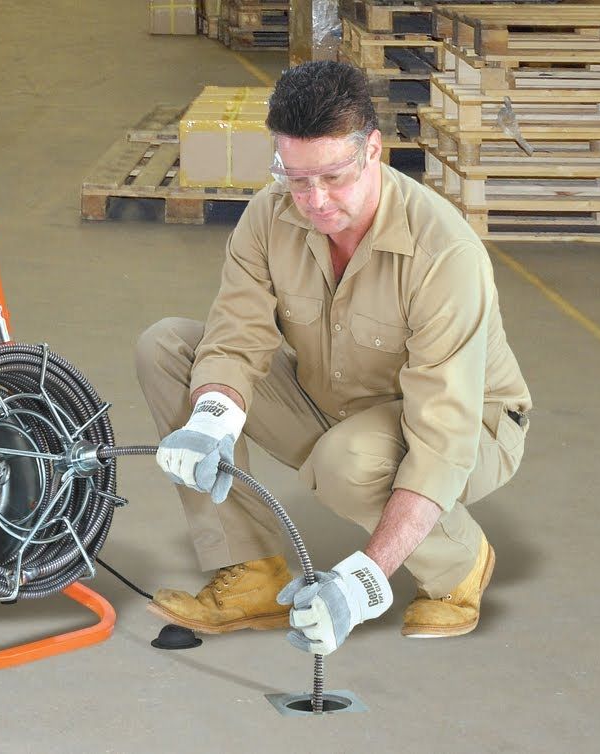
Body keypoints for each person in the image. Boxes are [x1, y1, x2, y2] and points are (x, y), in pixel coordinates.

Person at [134, 60, 531, 655]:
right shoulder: (271, 217)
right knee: (169, 347)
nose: (314, 201)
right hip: (334, 402)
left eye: (333, 178)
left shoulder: (443, 253)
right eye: (295, 178)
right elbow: (235, 337)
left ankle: (459, 565)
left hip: (469, 426)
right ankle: (252, 574)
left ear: (373, 150)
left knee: (347, 463)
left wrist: (364, 580)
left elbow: (442, 435)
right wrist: (210, 419)